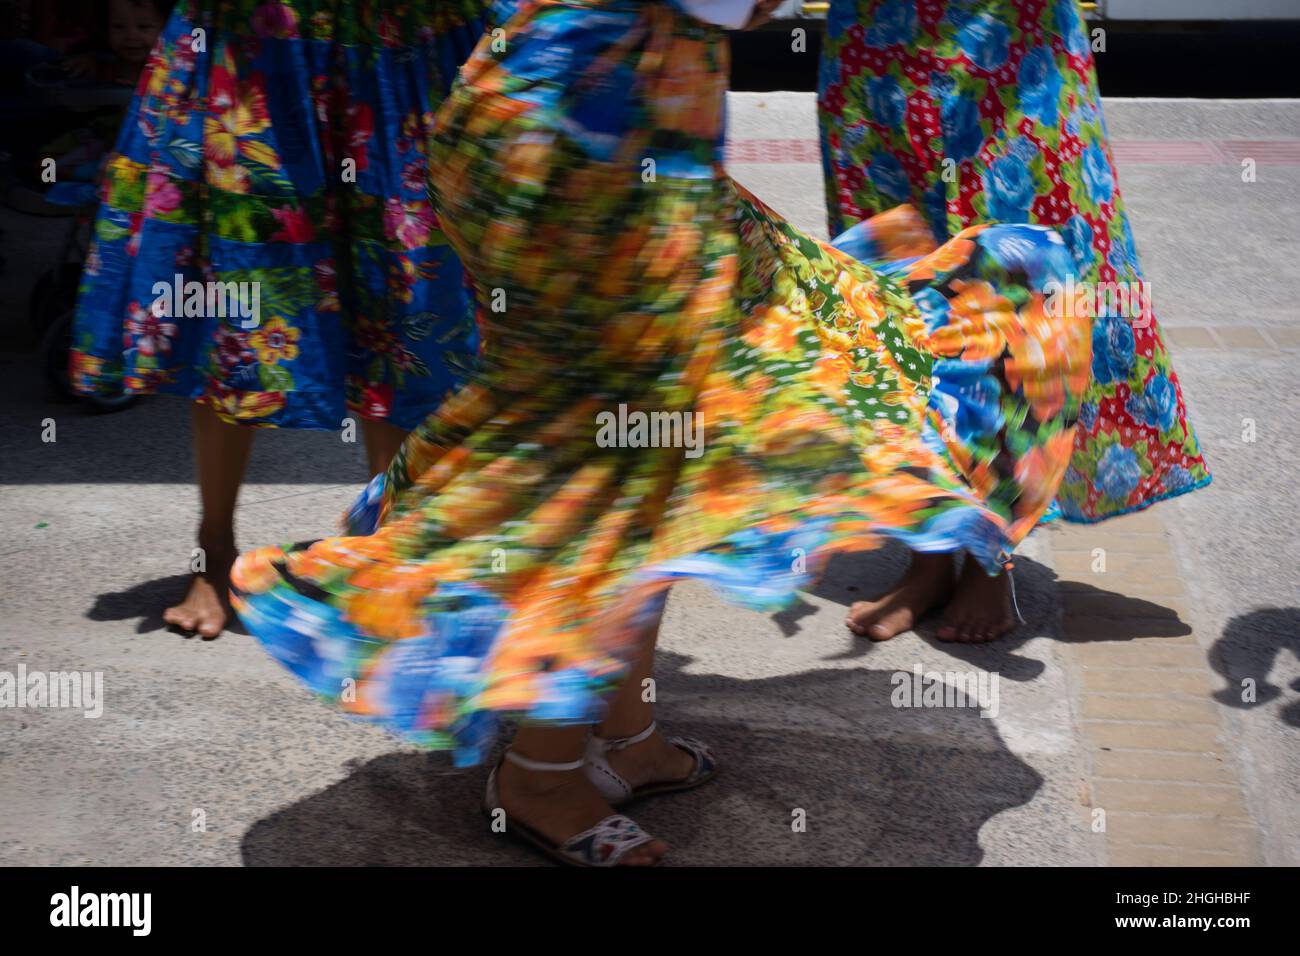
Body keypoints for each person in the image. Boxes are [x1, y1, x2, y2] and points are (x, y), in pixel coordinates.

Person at [232, 0, 1091, 866]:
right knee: (616, 453)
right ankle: (542, 773)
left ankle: (623, 731)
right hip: (598, 135)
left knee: (665, 435)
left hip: (572, 109)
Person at [71, 0, 487, 637]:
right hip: (258, 59)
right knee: (237, 312)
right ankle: (213, 548)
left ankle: (388, 554)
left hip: (400, 49)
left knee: (404, 311)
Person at [818, 0, 1210, 643]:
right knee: (900, 285)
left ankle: (987, 556)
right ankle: (932, 551)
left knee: (1011, 275)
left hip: (1012, 44)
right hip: (878, 38)